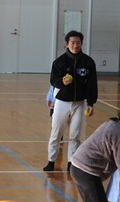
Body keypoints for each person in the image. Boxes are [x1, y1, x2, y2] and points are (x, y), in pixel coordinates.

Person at [43, 30, 98, 172]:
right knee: (56, 133)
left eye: (78, 43)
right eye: (72, 43)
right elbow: (53, 81)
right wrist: (62, 82)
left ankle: (71, 163)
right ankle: (51, 161)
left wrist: (91, 103)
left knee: (75, 135)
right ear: (67, 44)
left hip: (79, 103)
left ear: (81, 44)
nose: (75, 45)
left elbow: (92, 84)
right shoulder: (59, 62)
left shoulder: (88, 62)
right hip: (61, 103)